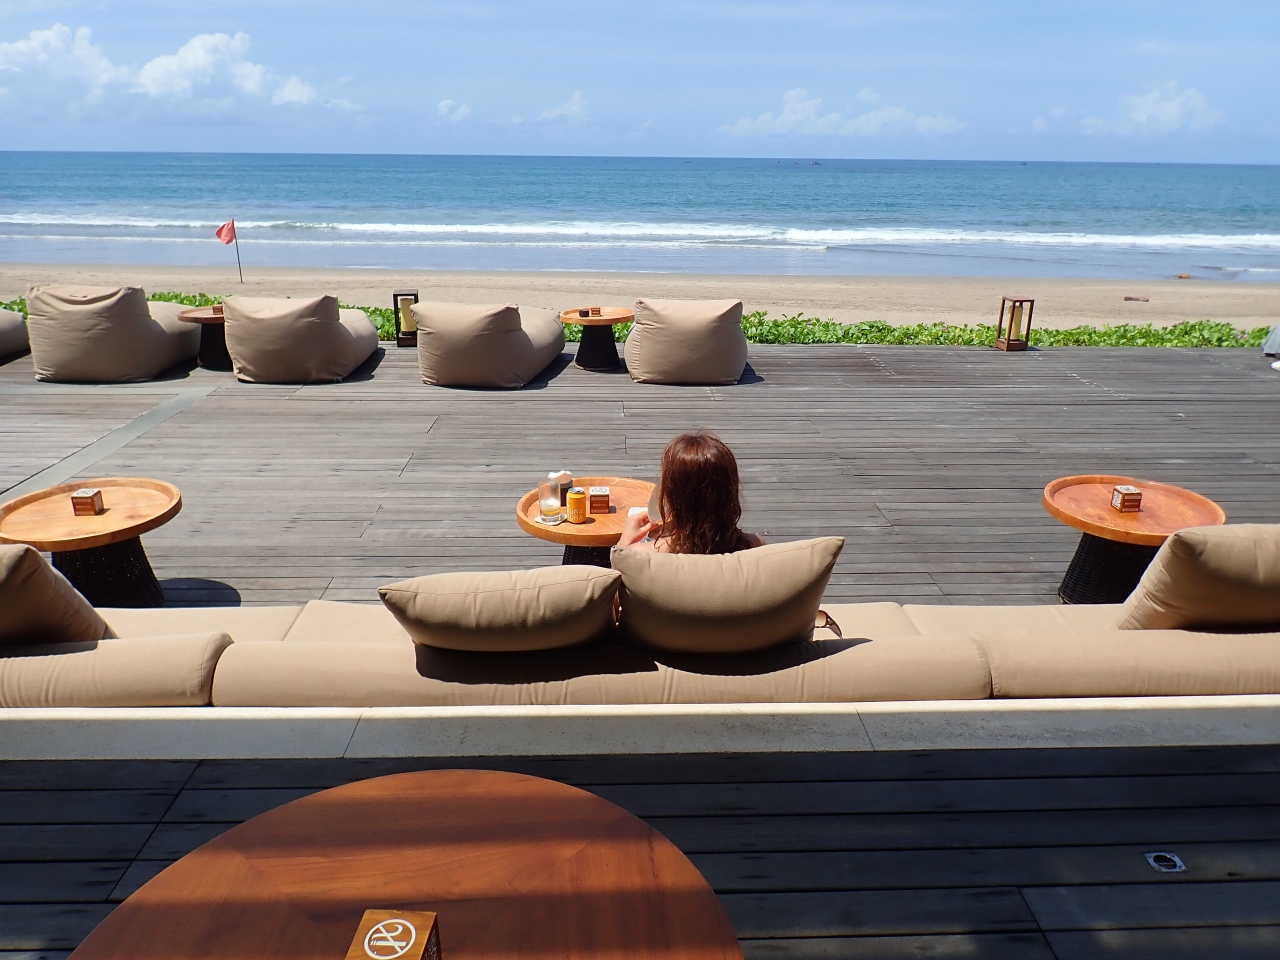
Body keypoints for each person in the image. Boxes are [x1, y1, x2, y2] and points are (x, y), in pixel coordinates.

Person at [618, 431, 764, 553]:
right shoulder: (755, 547)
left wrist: (624, 544)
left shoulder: (643, 554)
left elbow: (616, 574)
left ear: (672, 497)